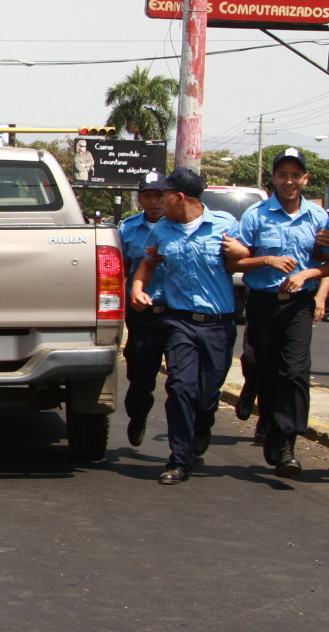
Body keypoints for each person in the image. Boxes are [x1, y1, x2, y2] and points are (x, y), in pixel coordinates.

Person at [129, 167, 247, 485]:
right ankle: (179, 461)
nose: (158, 202)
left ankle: (202, 424)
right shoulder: (162, 231)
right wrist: (138, 288)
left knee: (206, 397)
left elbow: (246, 257)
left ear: (179, 198)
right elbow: (147, 263)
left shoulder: (225, 225)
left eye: (164, 195)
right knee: (179, 387)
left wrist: (247, 252)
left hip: (219, 326)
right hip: (179, 322)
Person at [231, 149, 326, 477]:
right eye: (282, 174)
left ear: (305, 179)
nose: (289, 181)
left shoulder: (319, 218)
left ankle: (286, 443)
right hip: (263, 303)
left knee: (295, 372)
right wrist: (266, 260)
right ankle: (270, 422)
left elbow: (326, 261)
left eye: (295, 175)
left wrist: (307, 274)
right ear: (273, 178)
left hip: (299, 305)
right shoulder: (256, 216)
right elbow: (235, 261)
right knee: (268, 372)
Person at [118, 173, 170, 448]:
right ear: (140, 199)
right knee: (140, 378)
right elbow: (120, 271)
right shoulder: (127, 229)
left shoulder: (177, 226)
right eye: (148, 195)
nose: (154, 201)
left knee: (183, 381)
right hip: (142, 314)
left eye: (159, 195)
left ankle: (185, 437)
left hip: (176, 312)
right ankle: (138, 415)